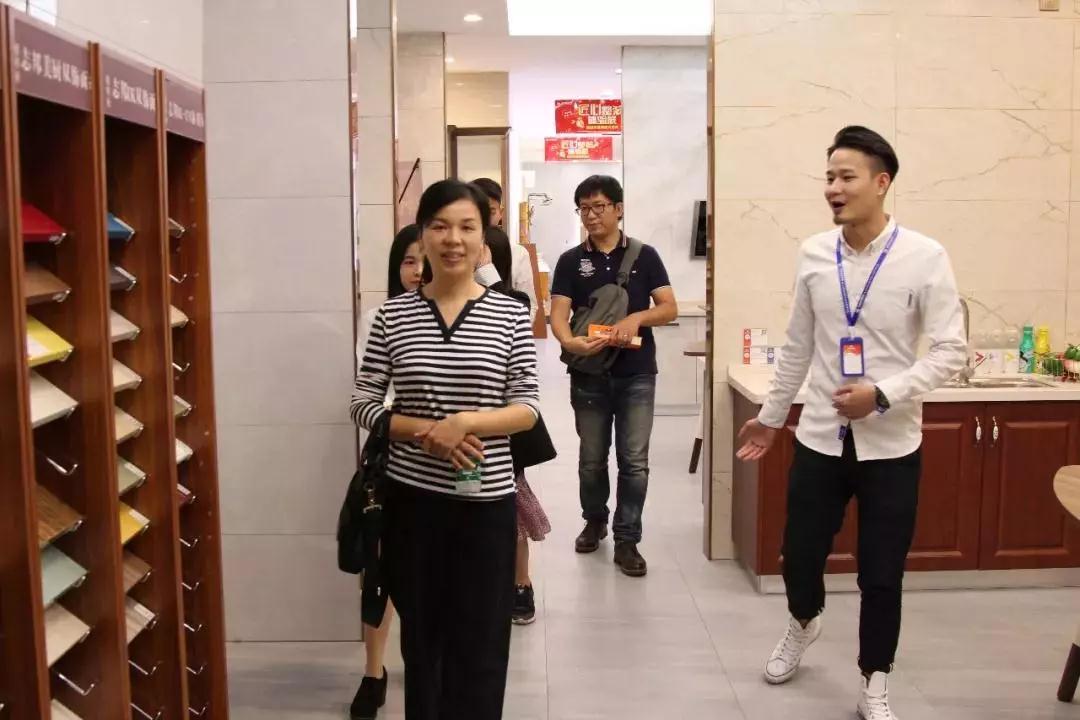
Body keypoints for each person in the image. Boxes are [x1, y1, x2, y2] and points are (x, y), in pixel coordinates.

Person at [735, 126, 966, 720]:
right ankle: (803, 621)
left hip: (892, 445)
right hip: (819, 437)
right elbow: (797, 347)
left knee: (881, 574)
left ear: (881, 182)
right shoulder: (815, 254)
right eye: (829, 177)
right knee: (798, 555)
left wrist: (882, 394)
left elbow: (951, 351)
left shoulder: (924, 257)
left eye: (846, 177)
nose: (833, 189)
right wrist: (769, 419)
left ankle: (874, 678)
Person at [351, 179, 540, 719]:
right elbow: (363, 403)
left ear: (484, 239)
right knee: (423, 644)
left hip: (486, 505)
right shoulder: (393, 316)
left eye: (466, 227)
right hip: (413, 506)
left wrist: (465, 423)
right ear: (423, 234)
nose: (452, 239)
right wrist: (427, 432)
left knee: (481, 646)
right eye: (439, 226)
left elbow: (528, 406)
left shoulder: (509, 314)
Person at [549, 175, 677, 577]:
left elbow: (669, 307)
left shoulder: (645, 256)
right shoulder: (571, 261)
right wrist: (569, 342)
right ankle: (594, 521)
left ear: (618, 209)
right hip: (588, 372)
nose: (591, 215)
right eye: (584, 208)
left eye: (599, 206)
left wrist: (637, 318)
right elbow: (557, 313)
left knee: (634, 461)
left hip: (637, 374)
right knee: (591, 459)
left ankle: (627, 539)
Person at [349, 224, 422, 720]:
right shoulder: (381, 319)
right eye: (408, 261)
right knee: (378, 572)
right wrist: (411, 424)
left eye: (424, 260)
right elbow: (368, 392)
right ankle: (373, 672)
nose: (417, 271)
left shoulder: (469, 314)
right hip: (387, 460)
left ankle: (428, 668)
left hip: (446, 466)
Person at [470, 183, 552, 626]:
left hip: (502, 405)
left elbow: (524, 310)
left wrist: (488, 273)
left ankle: (520, 583)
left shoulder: (508, 252)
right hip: (464, 409)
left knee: (511, 493)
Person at [471, 177, 537, 309]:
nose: (483, 219)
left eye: (490, 212)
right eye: (477, 212)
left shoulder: (517, 253)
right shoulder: (459, 252)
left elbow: (530, 308)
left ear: (500, 213)